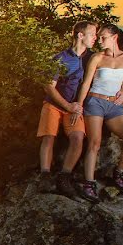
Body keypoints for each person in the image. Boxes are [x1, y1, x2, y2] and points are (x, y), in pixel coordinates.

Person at [72, 23, 123, 202]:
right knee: (94, 142)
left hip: (113, 106)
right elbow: (86, 83)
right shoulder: (97, 57)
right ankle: (89, 183)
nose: (99, 40)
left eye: (103, 37)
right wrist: (79, 105)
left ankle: (120, 173)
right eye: (99, 37)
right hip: (95, 102)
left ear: (114, 37)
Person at [37, 21, 97, 195]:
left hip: (76, 107)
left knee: (78, 138)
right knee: (49, 137)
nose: (95, 38)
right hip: (55, 104)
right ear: (80, 35)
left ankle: (65, 176)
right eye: (92, 34)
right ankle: (45, 176)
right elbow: (49, 86)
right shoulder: (61, 58)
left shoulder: (91, 59)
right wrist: (67, 106)